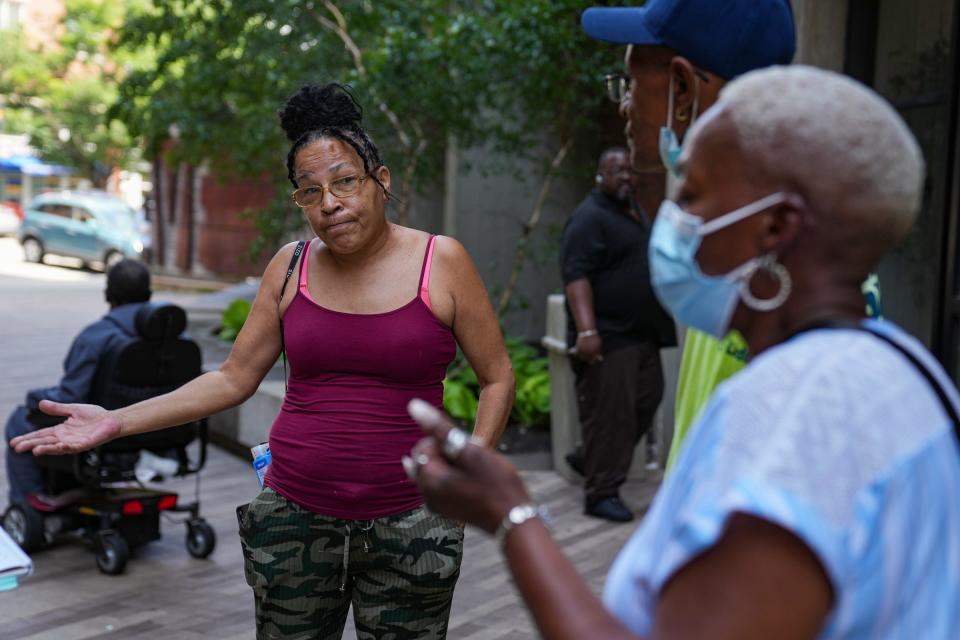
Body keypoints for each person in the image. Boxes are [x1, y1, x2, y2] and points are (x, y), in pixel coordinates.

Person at [404, 66, 960, 639]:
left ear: (772, 227)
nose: (674, 222)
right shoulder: (906, 366)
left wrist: (509, 511)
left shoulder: (796, 409)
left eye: (692, 195)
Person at [12, 84, 515, 639]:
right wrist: (116, 420)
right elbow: (232, 378)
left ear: (382, 180)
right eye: (309, 191)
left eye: (345, 181)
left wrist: (473, 475)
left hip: (414, 523)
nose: (330, 203)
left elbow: (496, 378)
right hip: (295, 521)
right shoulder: (290, 266)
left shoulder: (440, 262)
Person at [560, 147, 675, 521]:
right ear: (600, 176)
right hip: (608, 335)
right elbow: (576, 276)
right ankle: (601, 493)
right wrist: (587, 330)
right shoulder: (589, 217)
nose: (626, 177)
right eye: (617, 171)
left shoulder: (631, 209)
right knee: (612, 414)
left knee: (648, 398)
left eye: (629, 170)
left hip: (642, 332)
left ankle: (589, 457)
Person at [4, 258, 152, 507]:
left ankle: (28, 504)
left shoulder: (97, 335)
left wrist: (34, 397)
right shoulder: (175, 334)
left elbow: (69, 397)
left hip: (105, 429)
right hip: (156, 431)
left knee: (20, 420)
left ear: (107, 294)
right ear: (149, 293)